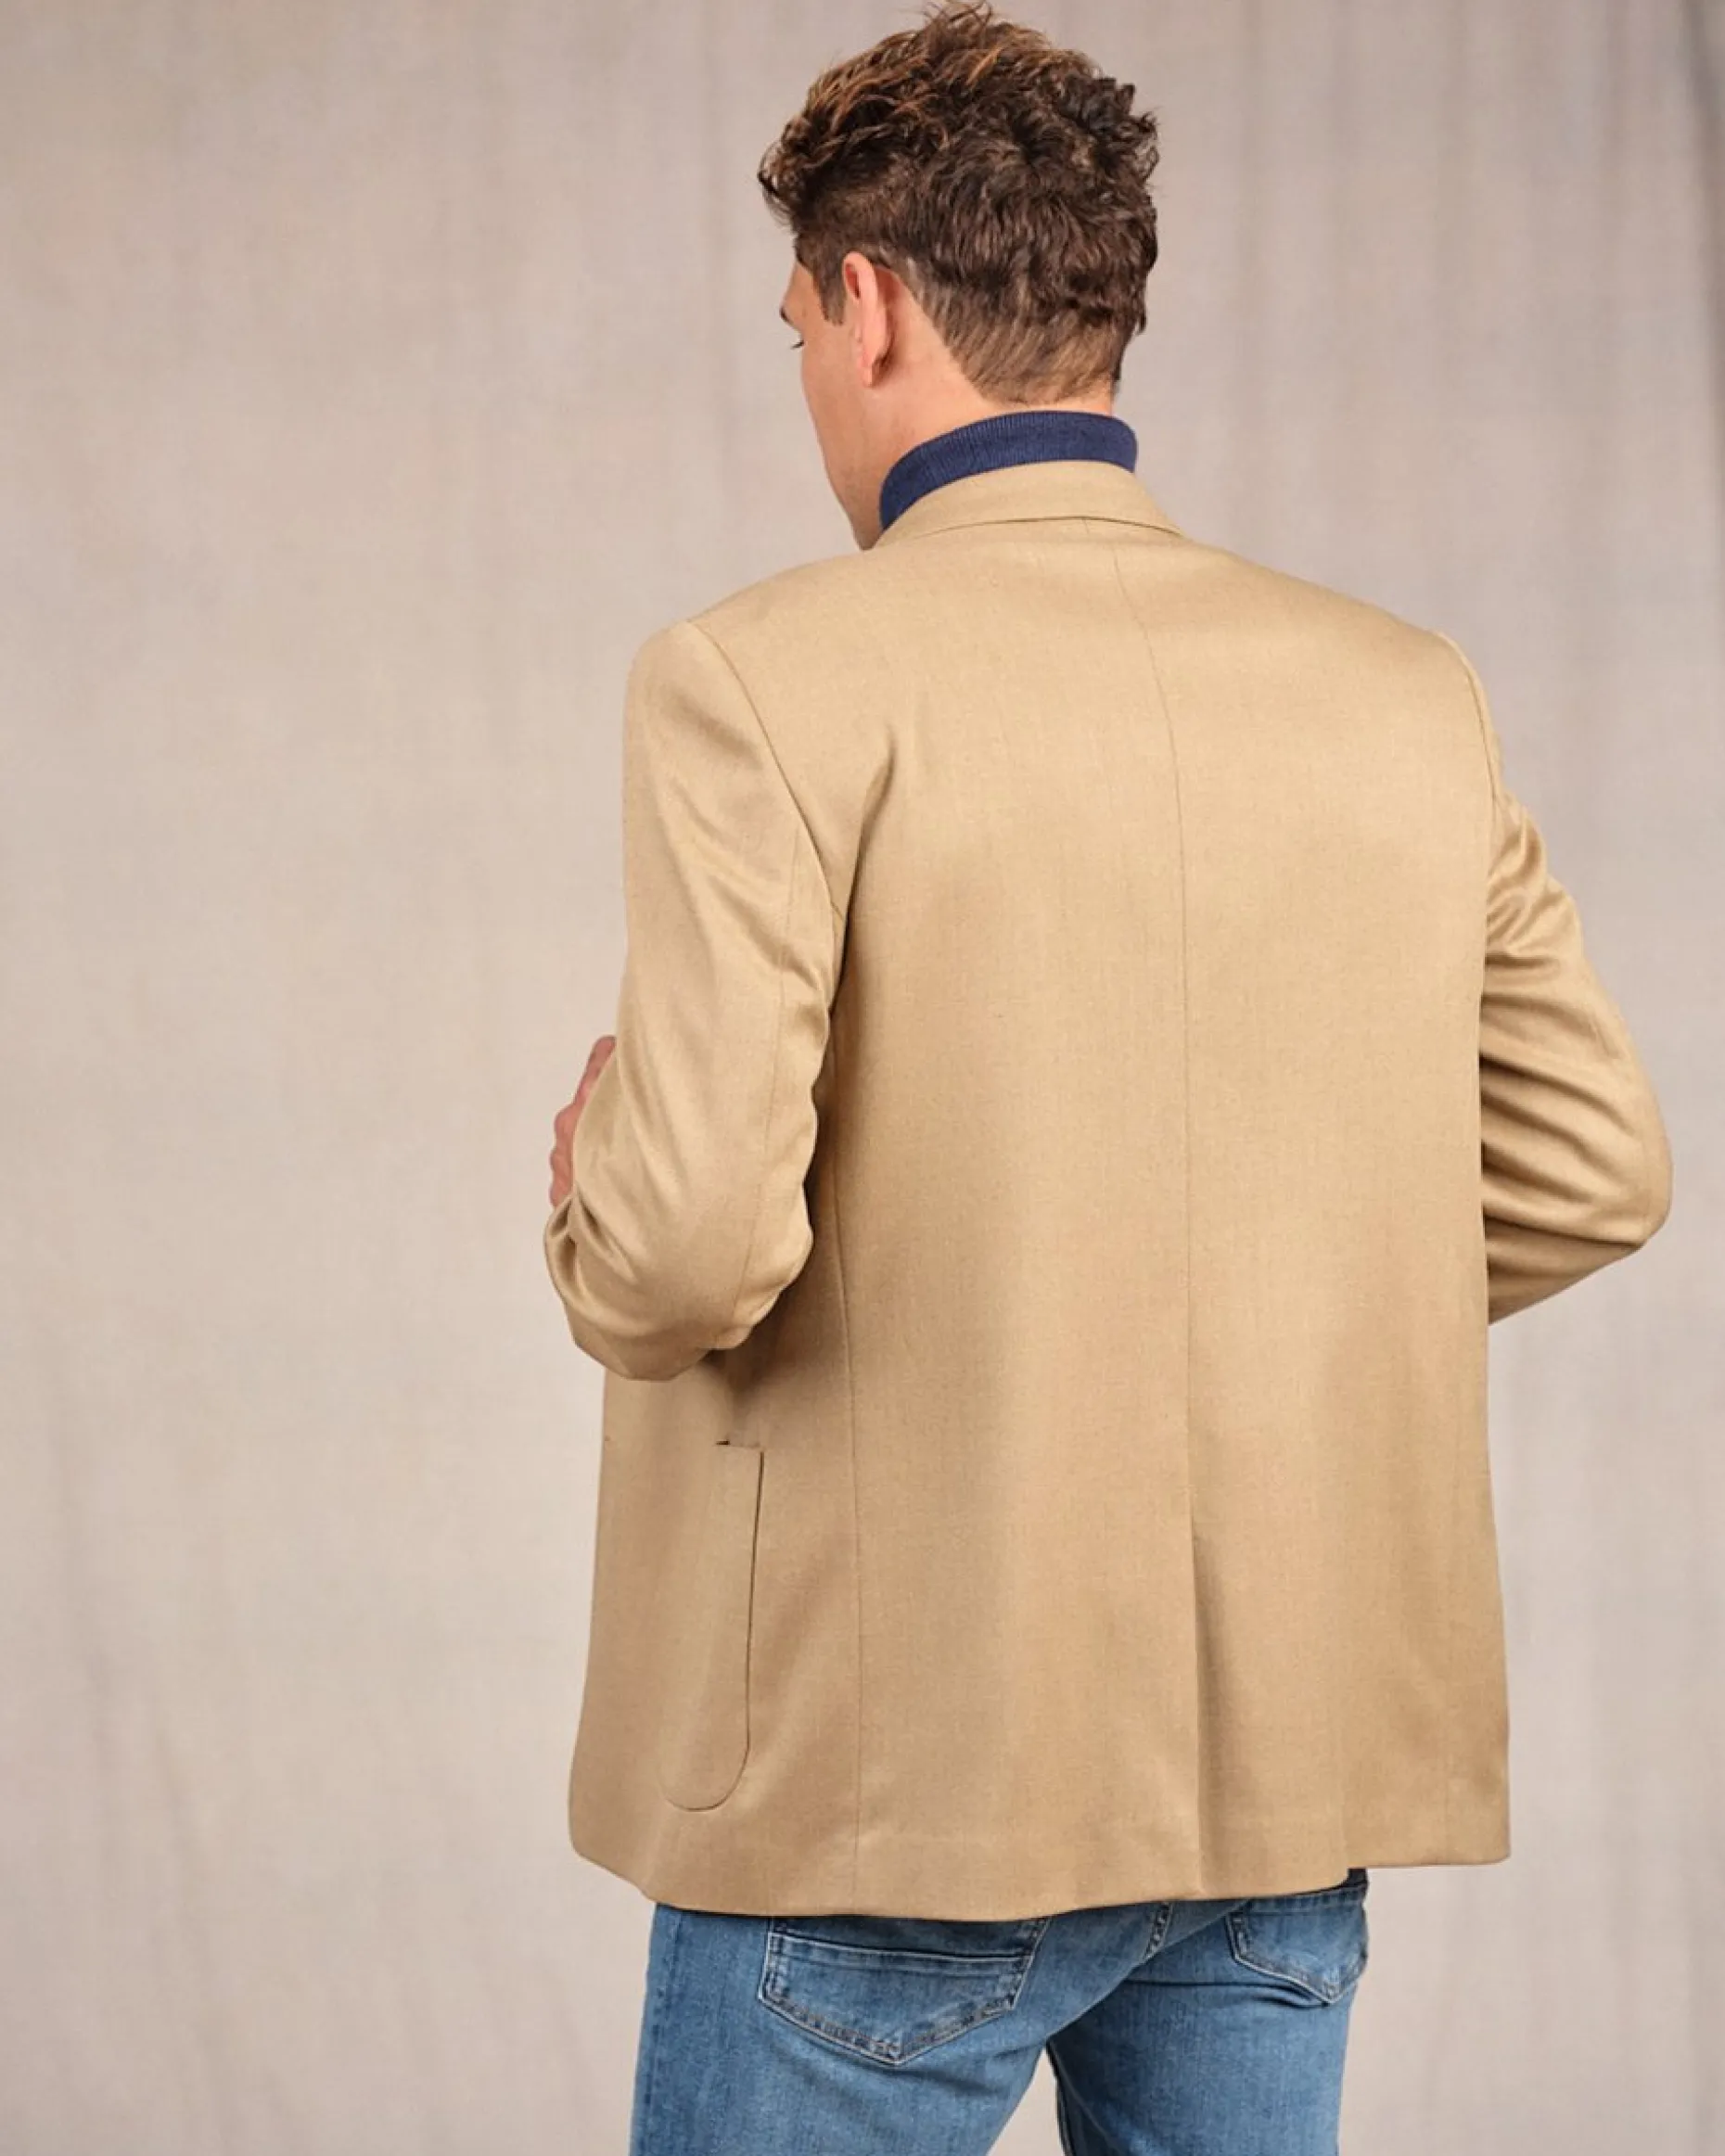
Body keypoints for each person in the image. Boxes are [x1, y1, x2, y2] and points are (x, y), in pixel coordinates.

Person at [541, 5, 1674, 2150]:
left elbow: (682, 1248)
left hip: (885, 1782)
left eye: (797, 332)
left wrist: (597, 1184)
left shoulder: (758, 681)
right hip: (1276, 1773)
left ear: (871, 307)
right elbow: (1596, 1165)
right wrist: (1286, 1273)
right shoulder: (1399, 694)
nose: (808, 379)